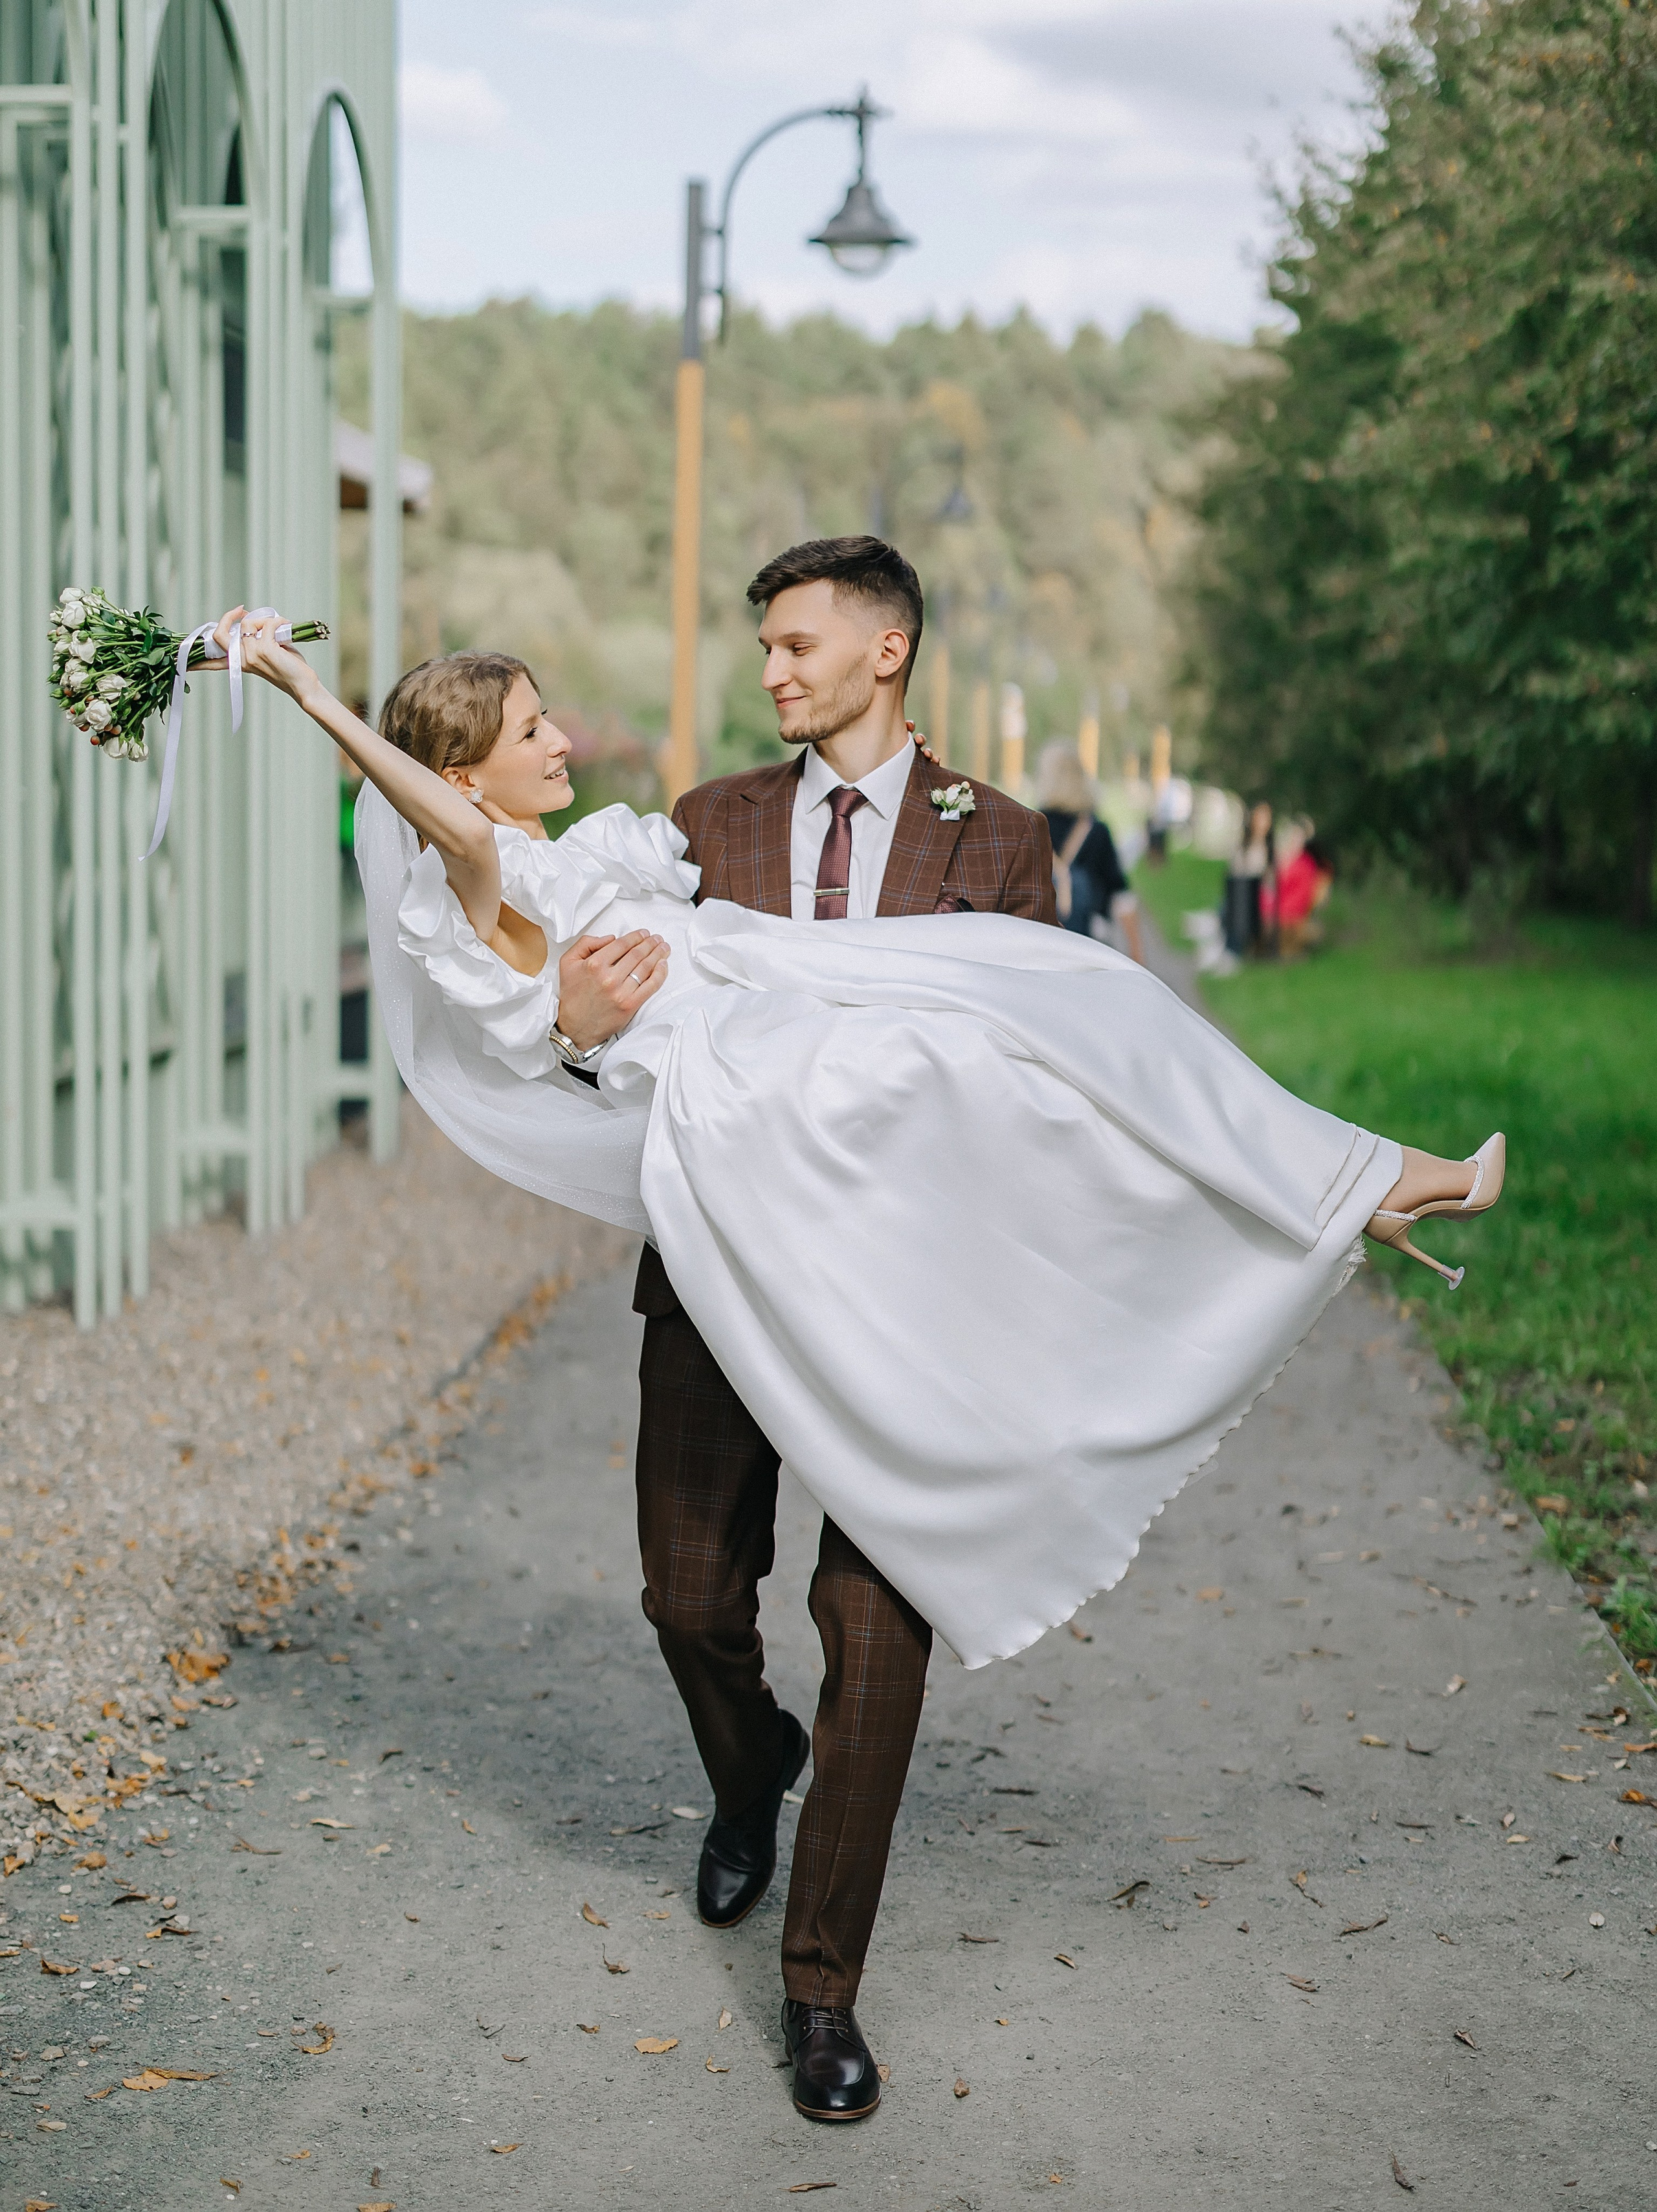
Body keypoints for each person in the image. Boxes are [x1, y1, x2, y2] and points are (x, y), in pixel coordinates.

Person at [219, 561, 1505, 2127]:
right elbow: (482, 888)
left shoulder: (1007, 838)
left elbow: (1061, 1096)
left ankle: (819, 1988)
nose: (768, 668)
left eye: (792, 642)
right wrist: (567, 1026)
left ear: (883, 650)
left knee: (877, 1605)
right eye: (759, 644)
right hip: (722, 1261)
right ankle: (749, 1768)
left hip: (916, 1300)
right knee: (686, 1595)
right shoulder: (698, 822)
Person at [1035, 739, 1145, 964]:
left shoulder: (1033, 826)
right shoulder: (1096, 830)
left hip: (1043, 942)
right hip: (1091, 944)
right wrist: (1137, 955)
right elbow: (1121, 895)